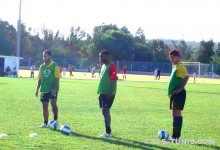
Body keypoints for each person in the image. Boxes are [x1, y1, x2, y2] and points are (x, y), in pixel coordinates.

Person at [167, 50, 189, 142]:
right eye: (170, 58)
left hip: (179, 94)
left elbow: (186, 77)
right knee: (173, 113)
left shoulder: (180, 66)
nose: (171, 59)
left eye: (172, 57)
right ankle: (174, 136)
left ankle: (176, 137)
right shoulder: (175, 66)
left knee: (177, 113)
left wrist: (180, 88)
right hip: (174, 94)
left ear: (177, 57)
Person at [35, 50, 60, 128]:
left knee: (53, 104)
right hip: (44, 88)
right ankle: (45, 123)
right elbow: (39, 78)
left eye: (45, 56)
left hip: (53, 89)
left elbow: (57, 78)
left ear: (49, 56)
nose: (44, 58)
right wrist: (37, 89)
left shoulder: (55, 66)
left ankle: (55, 120)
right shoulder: (42, 66)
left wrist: (54, 89)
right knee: (44, 105)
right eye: (43, 56)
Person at [97, 50, 118, 137]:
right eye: (99, 56)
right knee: (104, 111)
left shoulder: (112, 66)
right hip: (103, 93)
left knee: (106, 111)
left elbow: (114, 79)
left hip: (108, 93)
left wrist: (110, 92)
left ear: (106, 56)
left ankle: (108, 132)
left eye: (101, 56)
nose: (100, 58)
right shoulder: (103, 66)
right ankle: (108, 131)